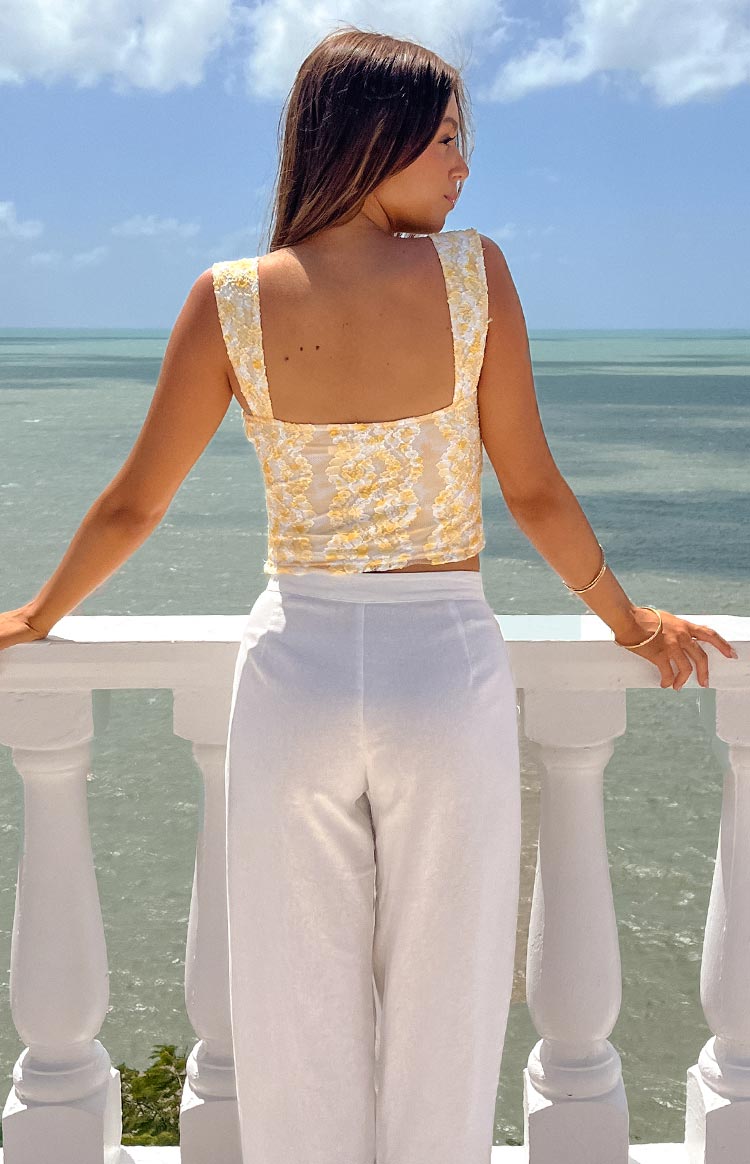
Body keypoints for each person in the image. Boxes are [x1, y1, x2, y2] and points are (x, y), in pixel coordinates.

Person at [0, 24, 738, 1164]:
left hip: (292, 673)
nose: (462, 166)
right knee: (448, 996)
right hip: (443, 671)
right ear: (369, 135)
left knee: (292, 1002)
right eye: (444, 140)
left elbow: (134, 505)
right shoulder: (473, 274)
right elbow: (533, 490)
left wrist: (36, 617)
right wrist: (629, 622)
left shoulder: (227, 299)